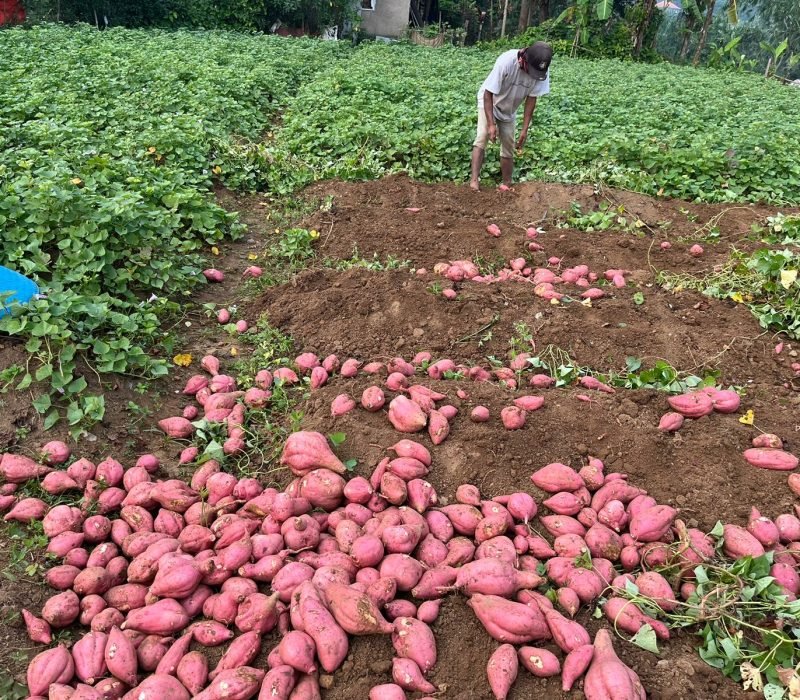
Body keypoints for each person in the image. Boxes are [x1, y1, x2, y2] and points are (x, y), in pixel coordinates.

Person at [470, 41, 552, 191]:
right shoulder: (506, 62)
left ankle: (507, 183)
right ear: (524, 59)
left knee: (509, 144)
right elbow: (488, 93)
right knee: (482, 136)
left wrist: (524, 129)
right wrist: (491, 124)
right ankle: (474, 181)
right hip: (490, 102)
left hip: (509, 109)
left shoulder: (542, 71)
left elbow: (531, 99)